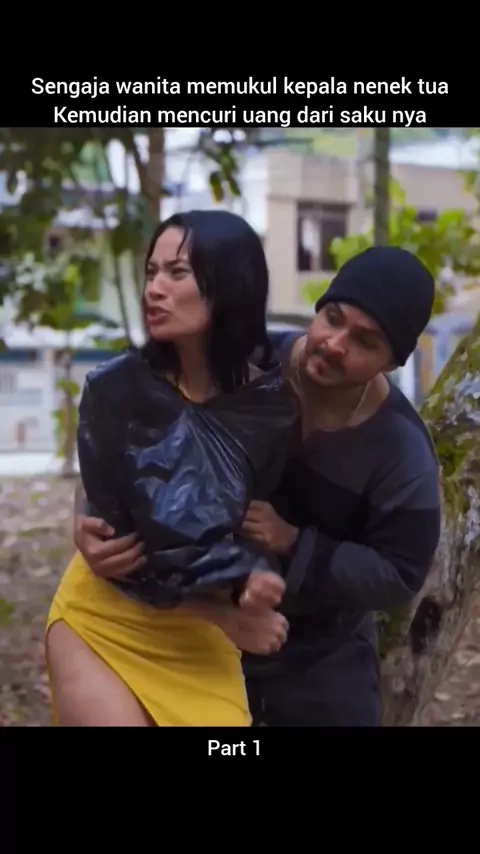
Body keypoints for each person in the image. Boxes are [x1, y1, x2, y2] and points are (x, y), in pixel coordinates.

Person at [73, 245, 442, 727]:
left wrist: (295, 543)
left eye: (364, 341)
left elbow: (399, 574)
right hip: (192, 619)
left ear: (392, 361)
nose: (335, 343)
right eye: (332, 318)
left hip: (315, 652)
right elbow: (124, 427)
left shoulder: (403, 452)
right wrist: (85, 515)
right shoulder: (242, 357)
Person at [45, 209, 291, 728]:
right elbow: (127, 543)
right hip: (106, 616)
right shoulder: (116, 389)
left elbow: (246, 531)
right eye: (151, 272)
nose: (154, 288)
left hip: (199, 642)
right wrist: (227, 611)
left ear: (230, 285)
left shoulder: (270, 409)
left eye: (177, 273)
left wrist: (252, 583)